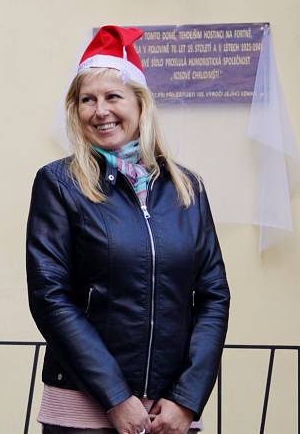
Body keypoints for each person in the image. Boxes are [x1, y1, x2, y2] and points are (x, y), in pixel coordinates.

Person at [26, 26, 230, 434]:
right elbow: (50, 297)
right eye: (87, 100)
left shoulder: (187, 188)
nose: (100, 111)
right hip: (84, 409)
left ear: (140, 104)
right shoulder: (60, 184)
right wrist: (116, 396)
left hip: (169, 415)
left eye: (113, 97)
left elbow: (213, 297)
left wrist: (187, 400)